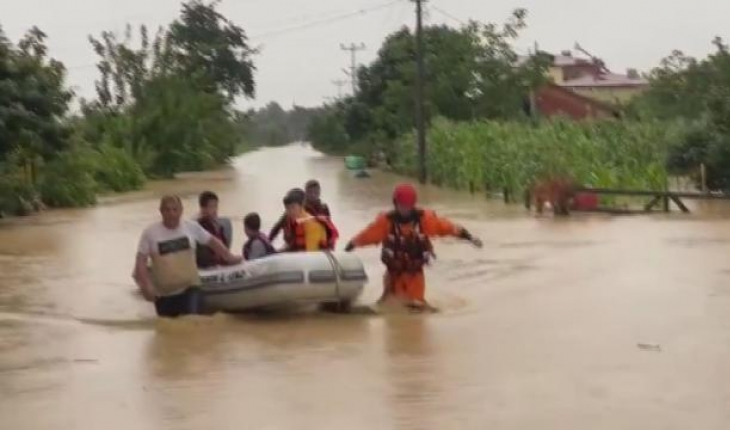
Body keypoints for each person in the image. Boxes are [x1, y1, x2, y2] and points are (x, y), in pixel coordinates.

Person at [344, 183, 483, 311]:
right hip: (393, 276)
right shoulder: (385, 222)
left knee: (417, 307)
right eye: (402, 205)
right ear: (395, 203)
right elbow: (367, 235)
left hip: (415, 276)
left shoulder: (426, 220)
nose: (405, 209)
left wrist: (469, 237)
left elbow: (449, 228)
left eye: (408, 206)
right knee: (387, 307)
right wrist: (351, 245)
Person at [132, 195, 243, 317]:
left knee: (192, 321)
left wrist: (229, 257)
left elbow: (212, 242)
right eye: (167, 210)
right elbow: (140, 263)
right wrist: (146, 286)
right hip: (164, 295)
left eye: (175, 209)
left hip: (190, 288)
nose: (171, 214)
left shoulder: (191, 227)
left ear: (181, 211)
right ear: (161, 211)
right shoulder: (150, 233)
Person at [280, 188, 339, 252]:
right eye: (287, 208)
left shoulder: (312, 225)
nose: (290, 211)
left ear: (301, 206)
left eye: (293, 207)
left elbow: (311, 253)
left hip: (316, 256)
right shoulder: (293, 221)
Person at [195, 191, 231, 268]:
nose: (215, 210)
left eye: (216, 206)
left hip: (222, 263)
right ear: (203, 209)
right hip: (209, 266)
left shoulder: (218, 226)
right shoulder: (199, 227)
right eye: (211, 207)